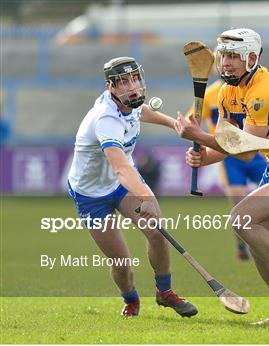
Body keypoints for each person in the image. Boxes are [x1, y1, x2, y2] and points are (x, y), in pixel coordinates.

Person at [176, 28, 269, 322]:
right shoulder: (227, 90)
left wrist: (199, 136)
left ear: (252, 58)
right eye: (223, 56)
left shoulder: (263, 89)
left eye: (234, 56)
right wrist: (203, 157)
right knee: (259, 243)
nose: (226, 62)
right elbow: (227, 140)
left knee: (240, 219)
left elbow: (244, 151)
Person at [67, 57, 198, 318]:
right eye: (124, 81)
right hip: (91, 194)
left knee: (158, 234)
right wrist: (146, 196)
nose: (133, 86)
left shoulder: (130, 101)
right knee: (122, 263)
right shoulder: (106, 120)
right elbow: (120, 168)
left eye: (135, 78)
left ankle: (165, 293)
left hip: (121, 185)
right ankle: (131, 300)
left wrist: (174, 124)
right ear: (110, 87)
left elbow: (142, 111)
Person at [190, 78, 269, 261]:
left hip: (255, 152)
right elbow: (193, 119)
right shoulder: (212, 94)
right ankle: (242, 248)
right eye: (222, 58)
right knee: (237, 201)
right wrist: (196, 131)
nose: (226, 63)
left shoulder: (255, 90)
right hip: (228, 155)